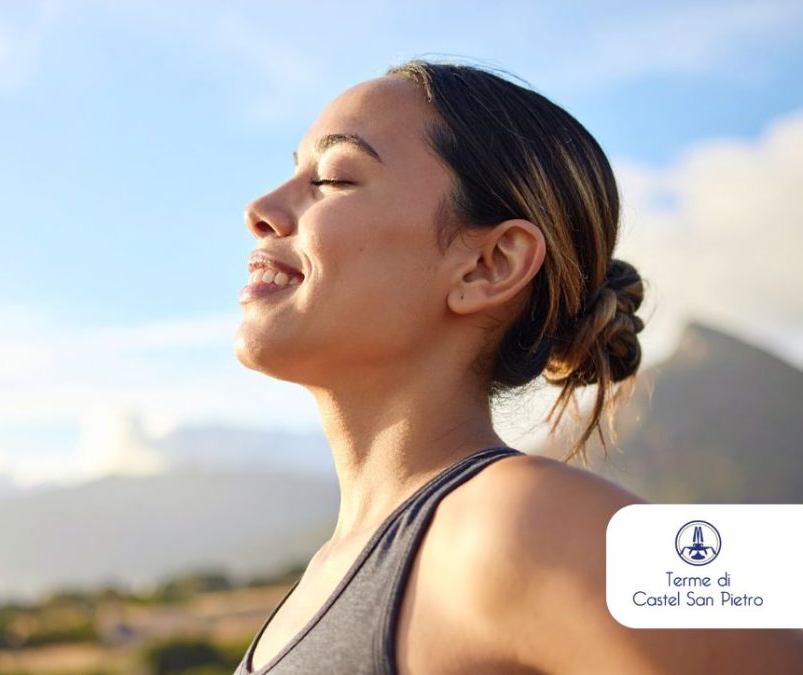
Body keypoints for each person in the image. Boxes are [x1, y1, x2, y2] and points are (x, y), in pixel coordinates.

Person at [231, 60, 803, 674]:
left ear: (490, 265)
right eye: (293, 171)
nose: (259, 208)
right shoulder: (331, 569)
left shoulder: (517, 524)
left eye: (335, 178)